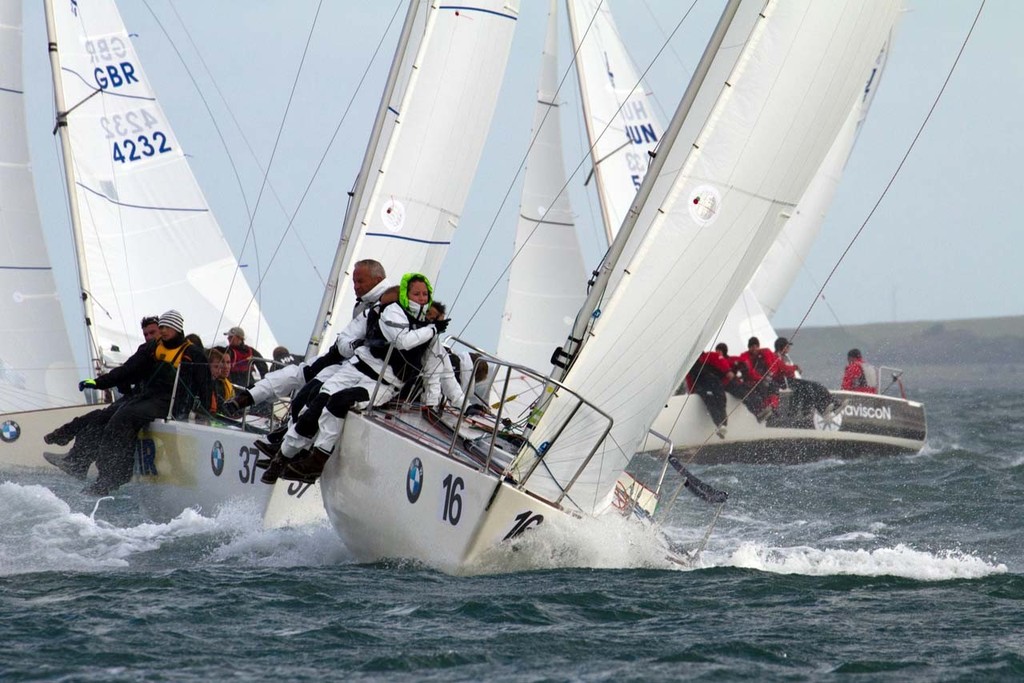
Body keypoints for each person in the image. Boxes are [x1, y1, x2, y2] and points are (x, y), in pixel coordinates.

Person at [265, 273, 451, 484]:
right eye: (415, 293)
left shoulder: (430, 332)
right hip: (356, 368)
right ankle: (281, 458)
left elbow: (434, 372)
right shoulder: (392, 313)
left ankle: (316, 460)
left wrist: (432, 405)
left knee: (339, 402)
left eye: (424, 294)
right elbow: (403, 341)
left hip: (382, 384)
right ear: (404, 296)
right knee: (317, 403)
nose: (420, 298)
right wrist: (432, 328)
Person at [49, 310, 211, 495]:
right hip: (147, 398)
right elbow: (128, 370)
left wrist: (208, 413)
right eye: (162, 328)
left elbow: (205, 386)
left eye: (166, 328)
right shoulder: (152, 349)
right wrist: (99, 383)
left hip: (171, 404)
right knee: (105, 418)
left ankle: (113, 477)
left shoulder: (193, 354)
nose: (163, 331)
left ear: (177, 328)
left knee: (121, 418)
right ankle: (85, 464)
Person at [43, 314, 160, 451]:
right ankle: (67, 439)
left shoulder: (155, 350)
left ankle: (71, 448)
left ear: (162, 330)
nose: (149, 337)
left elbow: (126, 371)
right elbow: (129, 372)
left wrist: (97, 383)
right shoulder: (146, 350)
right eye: (145, 334)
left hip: (146, 402)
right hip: (136, 397)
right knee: (97, 416)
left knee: (100, 419)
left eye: (152, 333)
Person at [772, 337, 835, 417]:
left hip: (791, 381)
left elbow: (788, 370)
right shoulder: (776, 356)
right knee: (808, 386)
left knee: (814, 386)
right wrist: (795, 367)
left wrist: (794, 369)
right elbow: (783, 369)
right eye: (787, 346)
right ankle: (814, 410)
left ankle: (826, 406)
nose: (789, 348)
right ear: (781, 347)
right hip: (784, 382)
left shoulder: (785, 357)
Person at [685, 348, 733, 436]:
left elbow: (721, 363)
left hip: (714, 381)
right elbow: (689, 378)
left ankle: (723, 425)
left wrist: (728, 372)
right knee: (711, 401)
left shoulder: (708, 356)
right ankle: (720, 424)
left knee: (721, 400)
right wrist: (692, 392)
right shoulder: (690, 363)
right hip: (702, 385)